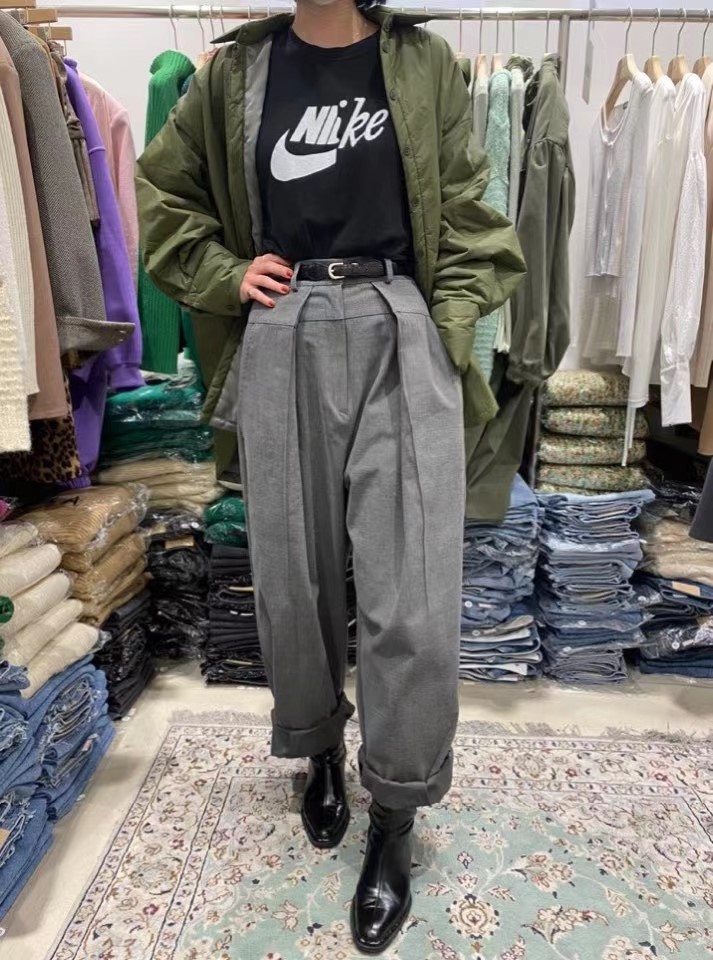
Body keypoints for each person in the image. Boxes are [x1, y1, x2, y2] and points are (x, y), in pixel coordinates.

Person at [136, 0, 525, 952]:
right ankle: (315, 750)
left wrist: (446, 325)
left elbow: (469, 210)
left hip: (398, 320)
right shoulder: (235, 72)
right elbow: (163, 192)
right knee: (291, 575)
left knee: (411, 593)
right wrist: (226, 274)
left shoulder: (422, 61)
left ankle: (395, 808)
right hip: (284, 326)